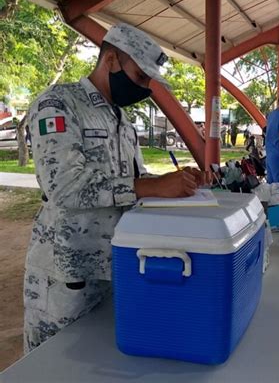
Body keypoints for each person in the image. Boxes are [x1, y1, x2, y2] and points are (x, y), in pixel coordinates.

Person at [24, 22, 207, 352]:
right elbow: (64, 187)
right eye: (140, 77)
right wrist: (150, 187)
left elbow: (131, 177)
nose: (145, 87)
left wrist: (172, 184)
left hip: (113, 266)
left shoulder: (121, 120)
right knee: (54, 364)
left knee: (98, 359)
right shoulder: (58, 104)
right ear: (110, 60)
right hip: (67, 272)